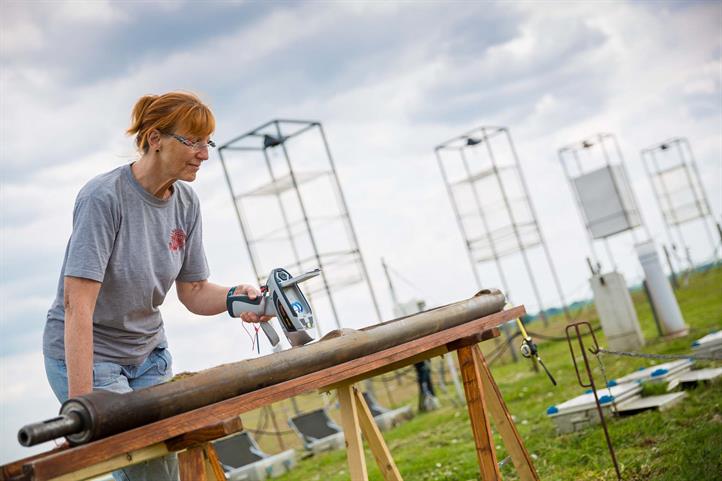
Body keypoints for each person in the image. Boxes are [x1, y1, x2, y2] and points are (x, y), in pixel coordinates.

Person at [42, 91, 269, 481]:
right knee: (150, 470)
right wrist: (84, 407)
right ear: (154, 139)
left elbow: (194, 292)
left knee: (163, 463)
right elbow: (77, 307)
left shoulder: (186, 203)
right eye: (193, 141)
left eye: (206, 142)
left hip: (150, 357)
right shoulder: (103, 198)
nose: (204, 153)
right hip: (92, 360)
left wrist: (237, 299)